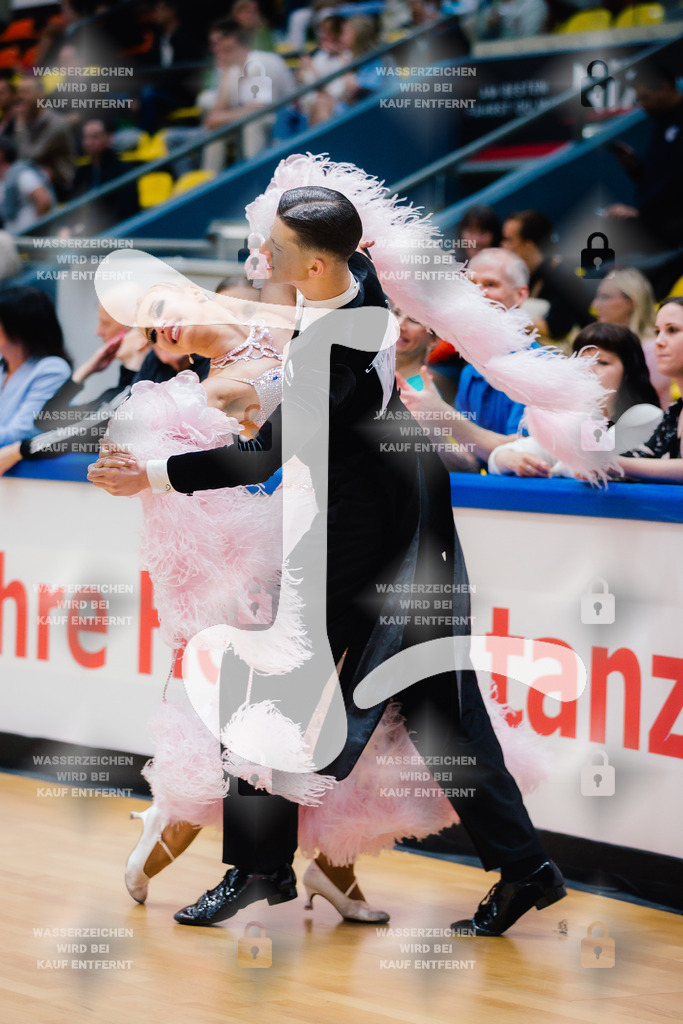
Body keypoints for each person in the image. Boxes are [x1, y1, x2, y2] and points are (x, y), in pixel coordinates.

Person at [90, 183, 567, 936]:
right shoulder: (358, 283)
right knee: (440, 708)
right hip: (408, 507)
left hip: (367, 528)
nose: (258, 257)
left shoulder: (325, 347)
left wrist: (145, 476)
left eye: (272, 248)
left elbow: (260, 461)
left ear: (313, 268)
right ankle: (523, 870)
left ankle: (259, 871)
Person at [398, 248, 531, 471]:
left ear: (520, 295)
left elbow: (527, 456)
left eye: (490, 284)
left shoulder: (540, 366)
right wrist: (428, 433)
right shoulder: (471, 371)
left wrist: (441, 415)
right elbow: (469, 464)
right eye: (470, 285)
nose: (477, 294)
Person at [488, 322, 663, 477]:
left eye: (602, 362)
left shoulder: (648, 415)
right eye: (581, 362)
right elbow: (499, 457)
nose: (587, 369)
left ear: (628, 373)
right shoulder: (574, 419)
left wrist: (593, 410)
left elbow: (592, 465)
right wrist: (512, 459)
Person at [0, 302, 148, 476]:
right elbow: (46, 421)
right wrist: (83, 373)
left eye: (106, 323)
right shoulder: (115, 392)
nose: (98, 332)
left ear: (143, 339)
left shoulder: (134, 393)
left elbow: (81, 430)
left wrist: (17, 451)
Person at [603, 63, 683, 254]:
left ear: (664, 88)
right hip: (655, 222)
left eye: (645, 97)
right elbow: (657, 176)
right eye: (639, 100)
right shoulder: (661, 122)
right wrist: (635, 167)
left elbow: (676, 183)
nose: (643, 105)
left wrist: (642, 217)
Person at [198, 18, 296, 166]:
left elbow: (258, 108)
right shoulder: (230, 69)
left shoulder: (257, 61)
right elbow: (216, 114)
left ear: (231, 40)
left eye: (217, 42)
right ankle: (209, 180)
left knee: (252, 124)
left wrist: (222, 118)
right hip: (258, 117)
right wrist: (224, 75)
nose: (214, 49)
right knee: (215, 131)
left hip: (284, 116)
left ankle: (254, 175)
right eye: (212, 44)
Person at [615, 298, 683, 482]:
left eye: (672, 330)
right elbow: (645, 455)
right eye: (657, 331)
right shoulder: (674, 414)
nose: (659, 341)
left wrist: (614, 465)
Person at [501, 209, 593, 343]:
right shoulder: (527, 275)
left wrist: (503, 317)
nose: (503, 246)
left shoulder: (563, 276)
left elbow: (557, 327)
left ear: (528, 246)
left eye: (508, 240)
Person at [0, 287, 71, 446]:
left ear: (17, 328)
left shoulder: (52, 369)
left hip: (21, 469)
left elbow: (22, 433)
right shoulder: (2, 364)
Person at [592, 268, 670, 409]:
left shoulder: (653, 348)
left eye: (605, 297)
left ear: (630, 303)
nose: (595, 305)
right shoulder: (600, 345)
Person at [13, 76, 76, 200]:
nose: (20, 98)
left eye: (26, 92)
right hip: (39, 182)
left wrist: (19, 124)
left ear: (40, 95)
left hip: (62, 188)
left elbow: (28, 156)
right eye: (19, 92)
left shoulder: (56, 123)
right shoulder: (28, 121)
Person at [69, 119, 138, 233]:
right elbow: (71, 206)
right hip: (83, 234)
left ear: (109, 139)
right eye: (86, 137)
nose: (88, 142)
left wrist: (87, 228)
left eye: (95, 137)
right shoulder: (82, 172)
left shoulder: (123, 171)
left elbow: (125, 213)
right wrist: (68, 227)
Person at [0, 137, 55, 234]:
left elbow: (44, 201)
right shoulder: (3, 180)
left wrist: (36, 232)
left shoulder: (21, 173)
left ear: (1, 153)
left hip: (33, 242)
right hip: (17, 243)